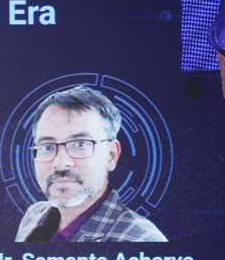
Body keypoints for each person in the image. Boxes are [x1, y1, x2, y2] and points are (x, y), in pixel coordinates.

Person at [16, 86, 166, 242]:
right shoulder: (33, 216)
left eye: (80, 144)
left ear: (111, 156)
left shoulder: (143, 240)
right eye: (47, 147)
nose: (60, 163)